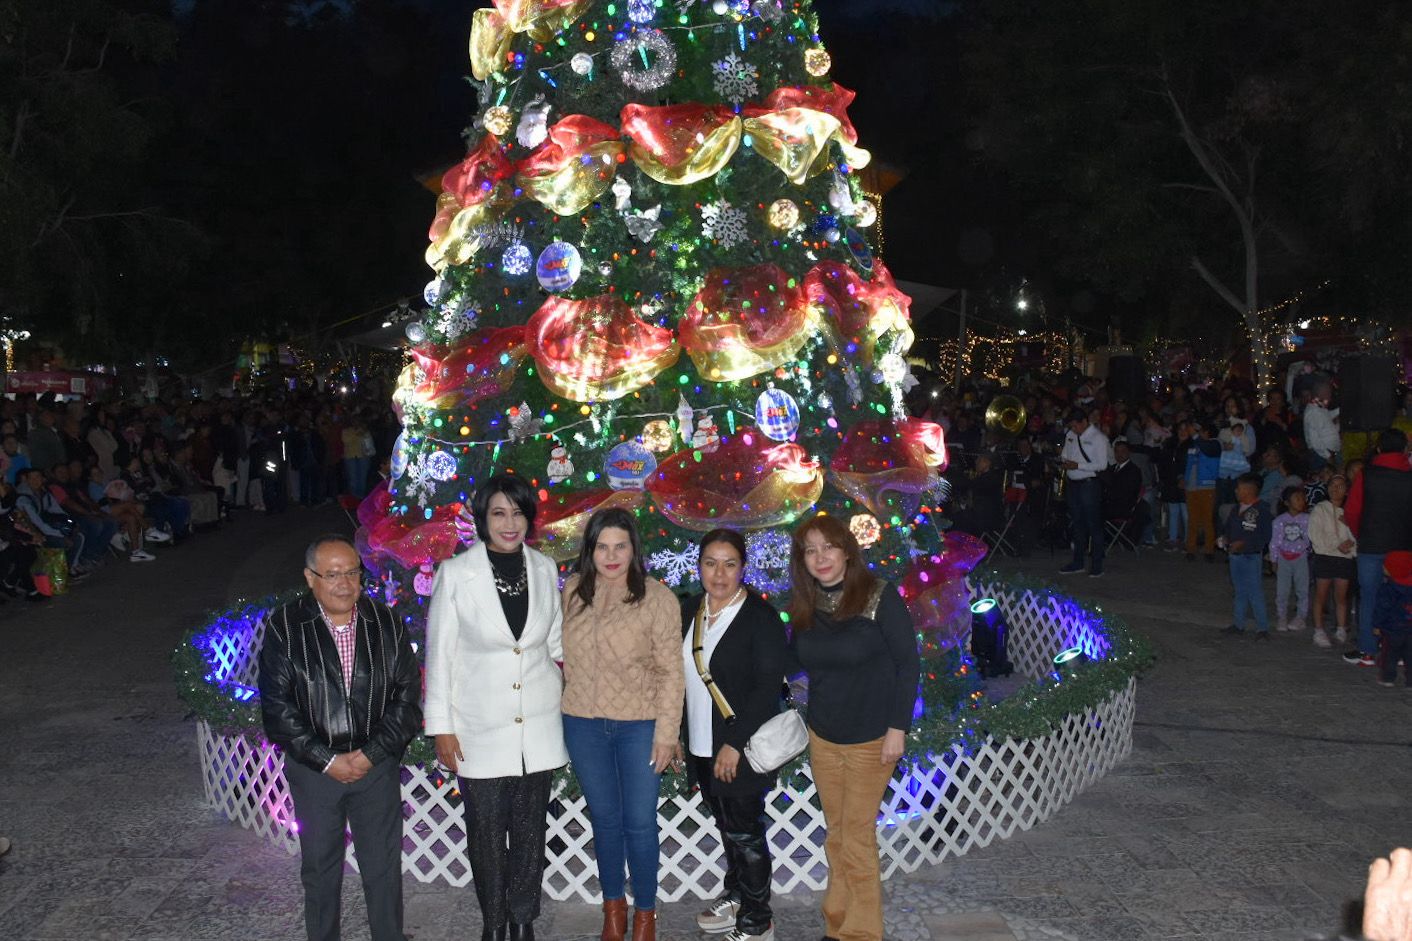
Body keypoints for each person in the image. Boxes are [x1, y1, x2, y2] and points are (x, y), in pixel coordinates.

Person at [257, 534, 422, 941]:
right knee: (319, 867)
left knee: (382, 868)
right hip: (315, 770)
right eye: (332, 575)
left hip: (375, 765)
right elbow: (277, 709)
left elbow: (407, 700)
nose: (344, 584)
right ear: (310, 578)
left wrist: (370, 754)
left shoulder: (385, 622)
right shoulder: (285, 626)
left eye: (352, 573)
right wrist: (327, 759)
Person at [425, 474, 567, 941]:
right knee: (485, 835)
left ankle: (523, 919)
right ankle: (493, 923)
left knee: (530, 834)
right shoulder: (455, 573)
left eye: (519, 512)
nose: (510, 524)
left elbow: (552, 643)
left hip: (538, 727)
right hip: (477, 728)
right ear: (483, 519)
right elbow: (439, 654)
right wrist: (441, 727)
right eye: (499, 513)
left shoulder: (546, 569)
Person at [785, 513, 918, 941]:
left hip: (871, 737)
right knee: (837, 834)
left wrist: (898, 728)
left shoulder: (878, 596)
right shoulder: (806, 605)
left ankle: (862, 933)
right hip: (824, 735)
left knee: (856, 838)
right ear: (802, 559)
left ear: (847, 550)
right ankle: (837, 918)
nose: (820, 557)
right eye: (811, 550)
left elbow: (907, 664)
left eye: (829, 547)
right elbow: (790, 662)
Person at [560, 508, 683, 941]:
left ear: (634, 549)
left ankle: (646, 916)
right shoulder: (572, 591)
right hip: (582, 724)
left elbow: (672, 672)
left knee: (640, 823)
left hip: (640, 726)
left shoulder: (657, 598)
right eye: (602, 547)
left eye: (620, 546)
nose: (611, 556)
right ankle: (613, 911)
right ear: (589, 550)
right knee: (605, 821)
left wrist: (667, 734)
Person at [678, 529, 787, 941]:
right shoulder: (690, 611)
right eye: (710, 563)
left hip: (739, 747)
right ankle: (738, 895)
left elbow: (765, 691)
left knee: (746, 832)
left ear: (744, 567)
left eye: (729, 564)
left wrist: (734, 743)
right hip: (702, 745)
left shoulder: (761, 618)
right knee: (728, 827)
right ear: (699, 566)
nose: (719, 574)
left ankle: (759, 920)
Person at [1342, 428, 1412, 668]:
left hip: (1371, 544)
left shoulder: (1367, 475)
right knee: (1400, 598)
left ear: (1379, 448)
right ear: (1405, 449)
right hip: (1403, 546)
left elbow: (1352, 510)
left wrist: (1361, 533)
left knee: (1369, 597)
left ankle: (1368, 650)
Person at [1219, 474, 1274, 638]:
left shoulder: (1261, 511)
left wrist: (1245, 543)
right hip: (1236, 556)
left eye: (1240, 488)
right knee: (1240, 591)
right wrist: (1225, 538)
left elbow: (1265, 536)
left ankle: (1263, 627)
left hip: (1251, 556)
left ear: (1250, 491)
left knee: (1254, 591)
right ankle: (1238, 624)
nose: (1236, 491)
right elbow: (1229, 528)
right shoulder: (1236, 509)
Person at [1058, 408, 1110, 577]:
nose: (1074, 430)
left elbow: (1102, 465)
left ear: (1084, 422)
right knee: (1077, 524)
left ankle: (1097, 565)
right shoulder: (1071, 435)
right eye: (1072, 427)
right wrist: (1064, 460)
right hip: (1073, 483)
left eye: (1076, 426)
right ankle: (1077, 562)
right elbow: (1066, 453)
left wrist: (1078, 466)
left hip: (1089, 484)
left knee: (1093, 524)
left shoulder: (1099, 438)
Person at [1309, 475, 1356, 649]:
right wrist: (1336, 546)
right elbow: (1315, 535)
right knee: (1321, 594)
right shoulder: (1320, 509)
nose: (1336, 489)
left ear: (1347, 490)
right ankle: (1319, 630)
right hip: (1325, 557)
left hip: (1344, 558)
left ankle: (1341, 628)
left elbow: (1357, 535)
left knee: (1341, 597)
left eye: (1340, 486)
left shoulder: (1350, 511)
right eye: (1332, 485)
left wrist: (1350, 542)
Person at [1269, 487, 1311, 633]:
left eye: (1302, 498)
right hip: (1283, 558)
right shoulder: (1279, 521)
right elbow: (1274, 542)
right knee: (1282, 590)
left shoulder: (1307, 519)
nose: (1301, 501)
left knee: (1302, 589)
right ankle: (1281, 616)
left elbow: (1310, 539)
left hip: (1300, 557)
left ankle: (1301, 616)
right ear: (1287, 502)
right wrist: (1273, 560)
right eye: (1297, 498)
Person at [1181, 421, 1222, 563]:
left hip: (1206, 486)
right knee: (1192, 520)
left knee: (1207, 520)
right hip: (1191, 487)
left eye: (1201, 431)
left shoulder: (1214, 444)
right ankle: (1190, 549)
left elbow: (1206, 449)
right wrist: (1183, 479)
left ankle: (1209, 549)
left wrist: (1194, 435)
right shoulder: (1194, 445)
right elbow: (1187, 463)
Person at [1373, 551, 1412, 688]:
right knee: (1410, 655)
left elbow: (1382, 609)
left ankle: (1387, 677)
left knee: (1389, 653)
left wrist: (1377, 625)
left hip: (1392, 629)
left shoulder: (1388, 589)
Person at [1304, 383, 1341, 472]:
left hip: (1328, 454)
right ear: (1322, 393)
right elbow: (1315, 441)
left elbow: (1328, 418)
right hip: (1321, 456)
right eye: (1329, 392)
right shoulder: (1313, 411)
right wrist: (1328, 456)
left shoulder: (1319, 408)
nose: (1330, 395)